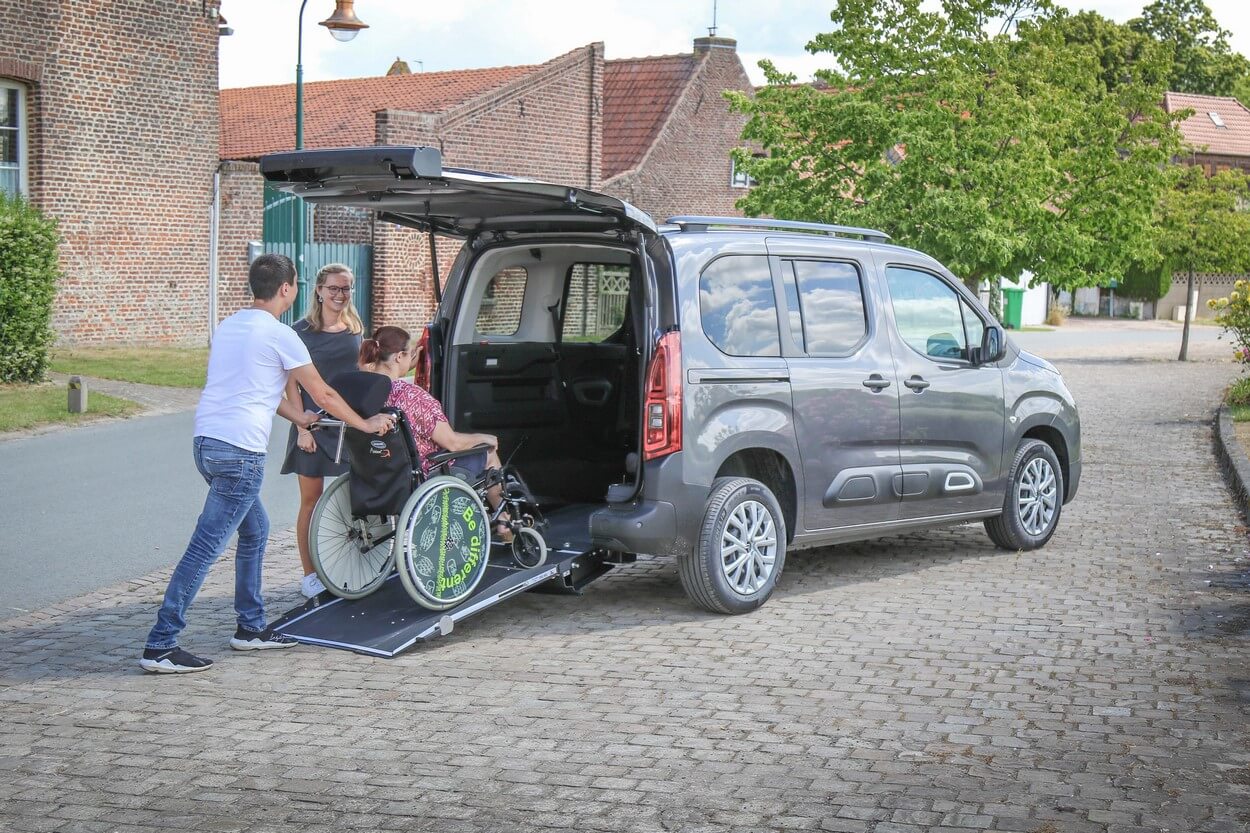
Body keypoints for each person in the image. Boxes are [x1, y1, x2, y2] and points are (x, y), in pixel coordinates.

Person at [139, 254, 394, 674]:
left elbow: (262, 391)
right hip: (241, 453)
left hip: (207, 444)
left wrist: (301, 418)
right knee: (206, 547)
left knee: (255, 532)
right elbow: (326, 394)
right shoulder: (282, 335)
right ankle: (161, 643)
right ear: (288, 289)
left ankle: (250, 628)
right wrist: (365, 423)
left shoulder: (229, 326)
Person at [358, 325, 511, 538]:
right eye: (410, 353)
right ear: (399, 357)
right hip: (425, 475)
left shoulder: (365, 391)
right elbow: (453, 444)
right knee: (488, 452)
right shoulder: (413, 397)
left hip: (381, 475)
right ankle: (504, 523)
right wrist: (484, 438)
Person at [280, 263, 364, 599]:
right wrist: (301, 426)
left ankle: (349, 565)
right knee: (311, 502)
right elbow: (291, 382)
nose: (340, 295)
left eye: (345, 289)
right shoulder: (300, 332)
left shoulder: (355, 330)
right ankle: (309, 575)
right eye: (333, 288)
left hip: (347, 425)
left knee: (351, 498)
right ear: (318, 290)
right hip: (311, 427)